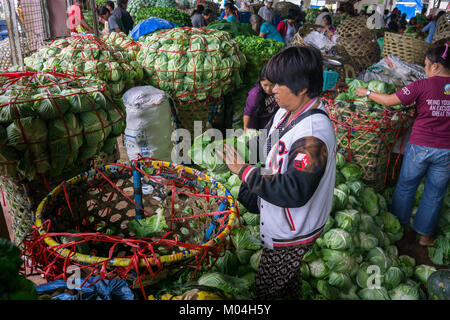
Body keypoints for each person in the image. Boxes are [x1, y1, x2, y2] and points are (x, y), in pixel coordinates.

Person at [219, 45, 336, 300]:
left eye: (278, 84)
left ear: (302, 87)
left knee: (266, 291)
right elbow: (271, 149)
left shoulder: (314, 133)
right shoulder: (286, 111)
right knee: (286, 283)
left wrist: (244, 171)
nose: (272, 90)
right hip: (278, 218)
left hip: (292, 232)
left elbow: (295, 190)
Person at [354, 44, 450, 247]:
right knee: (435, 193)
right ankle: (425, 237)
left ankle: (398, 226)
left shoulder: (422, 85)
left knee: (406, 186)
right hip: (446, 150)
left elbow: (390, 101)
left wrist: (367, 92)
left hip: (420, 147)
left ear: (435, 67)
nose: (424, 68)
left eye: (425, 65)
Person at [243, 66, 279, 132]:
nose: (268, 89)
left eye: (271, 85)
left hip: (271, 122)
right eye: (265, 85)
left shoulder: (279, 90)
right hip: (256, 125)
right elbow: (248, 112)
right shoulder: (254, 95)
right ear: (260, 82)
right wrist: (245, 128)